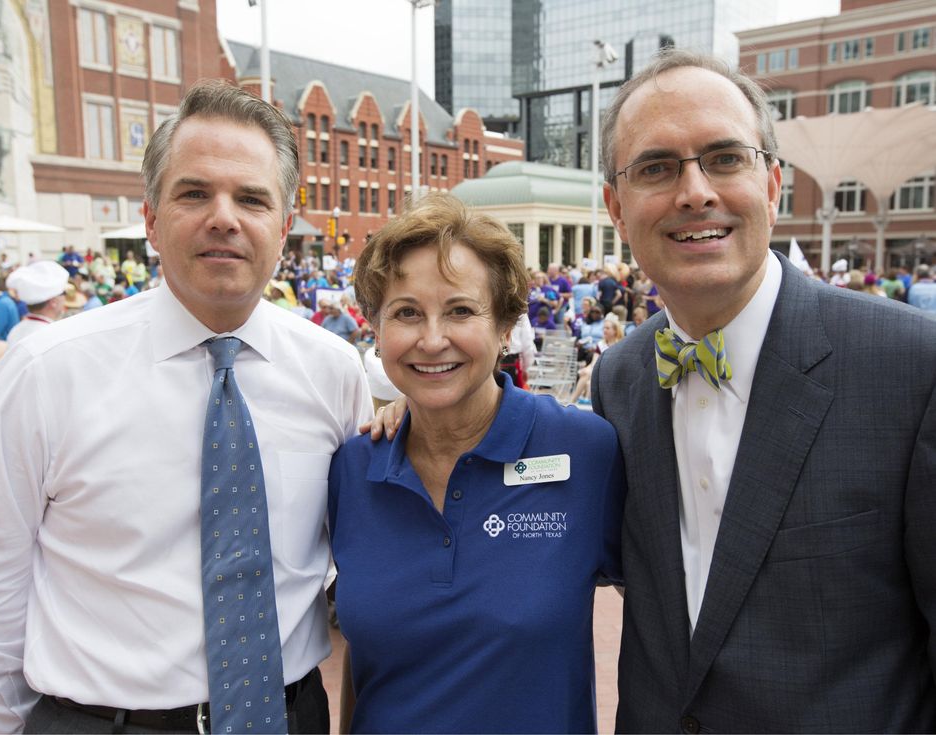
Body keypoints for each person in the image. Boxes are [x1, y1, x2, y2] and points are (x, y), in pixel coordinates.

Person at [0, 80, 372, 734]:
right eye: (195, 192)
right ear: (150, 217)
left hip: (287, 716)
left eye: (252, 198)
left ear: (284, 225)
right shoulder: (46, 374)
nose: (225, 217)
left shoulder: (334, 372)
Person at [592, 48, 936, 732]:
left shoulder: (913, 367)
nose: (695, 191)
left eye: (724, 158)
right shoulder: (619, 377)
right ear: (615, 206)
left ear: (773, 183)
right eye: (657, 167)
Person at [329, 192, 625, 734]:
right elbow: (365, 655)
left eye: (461, 310)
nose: (432, 339)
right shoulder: (352, 467)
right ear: (375, 328)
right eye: (406, 313)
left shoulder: (585, 451)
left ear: (507, 324)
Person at [5, 261, 70, 346]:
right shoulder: (53, 336)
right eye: (64, 293)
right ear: (53, 301)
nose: (65, 298)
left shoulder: (16, 330)